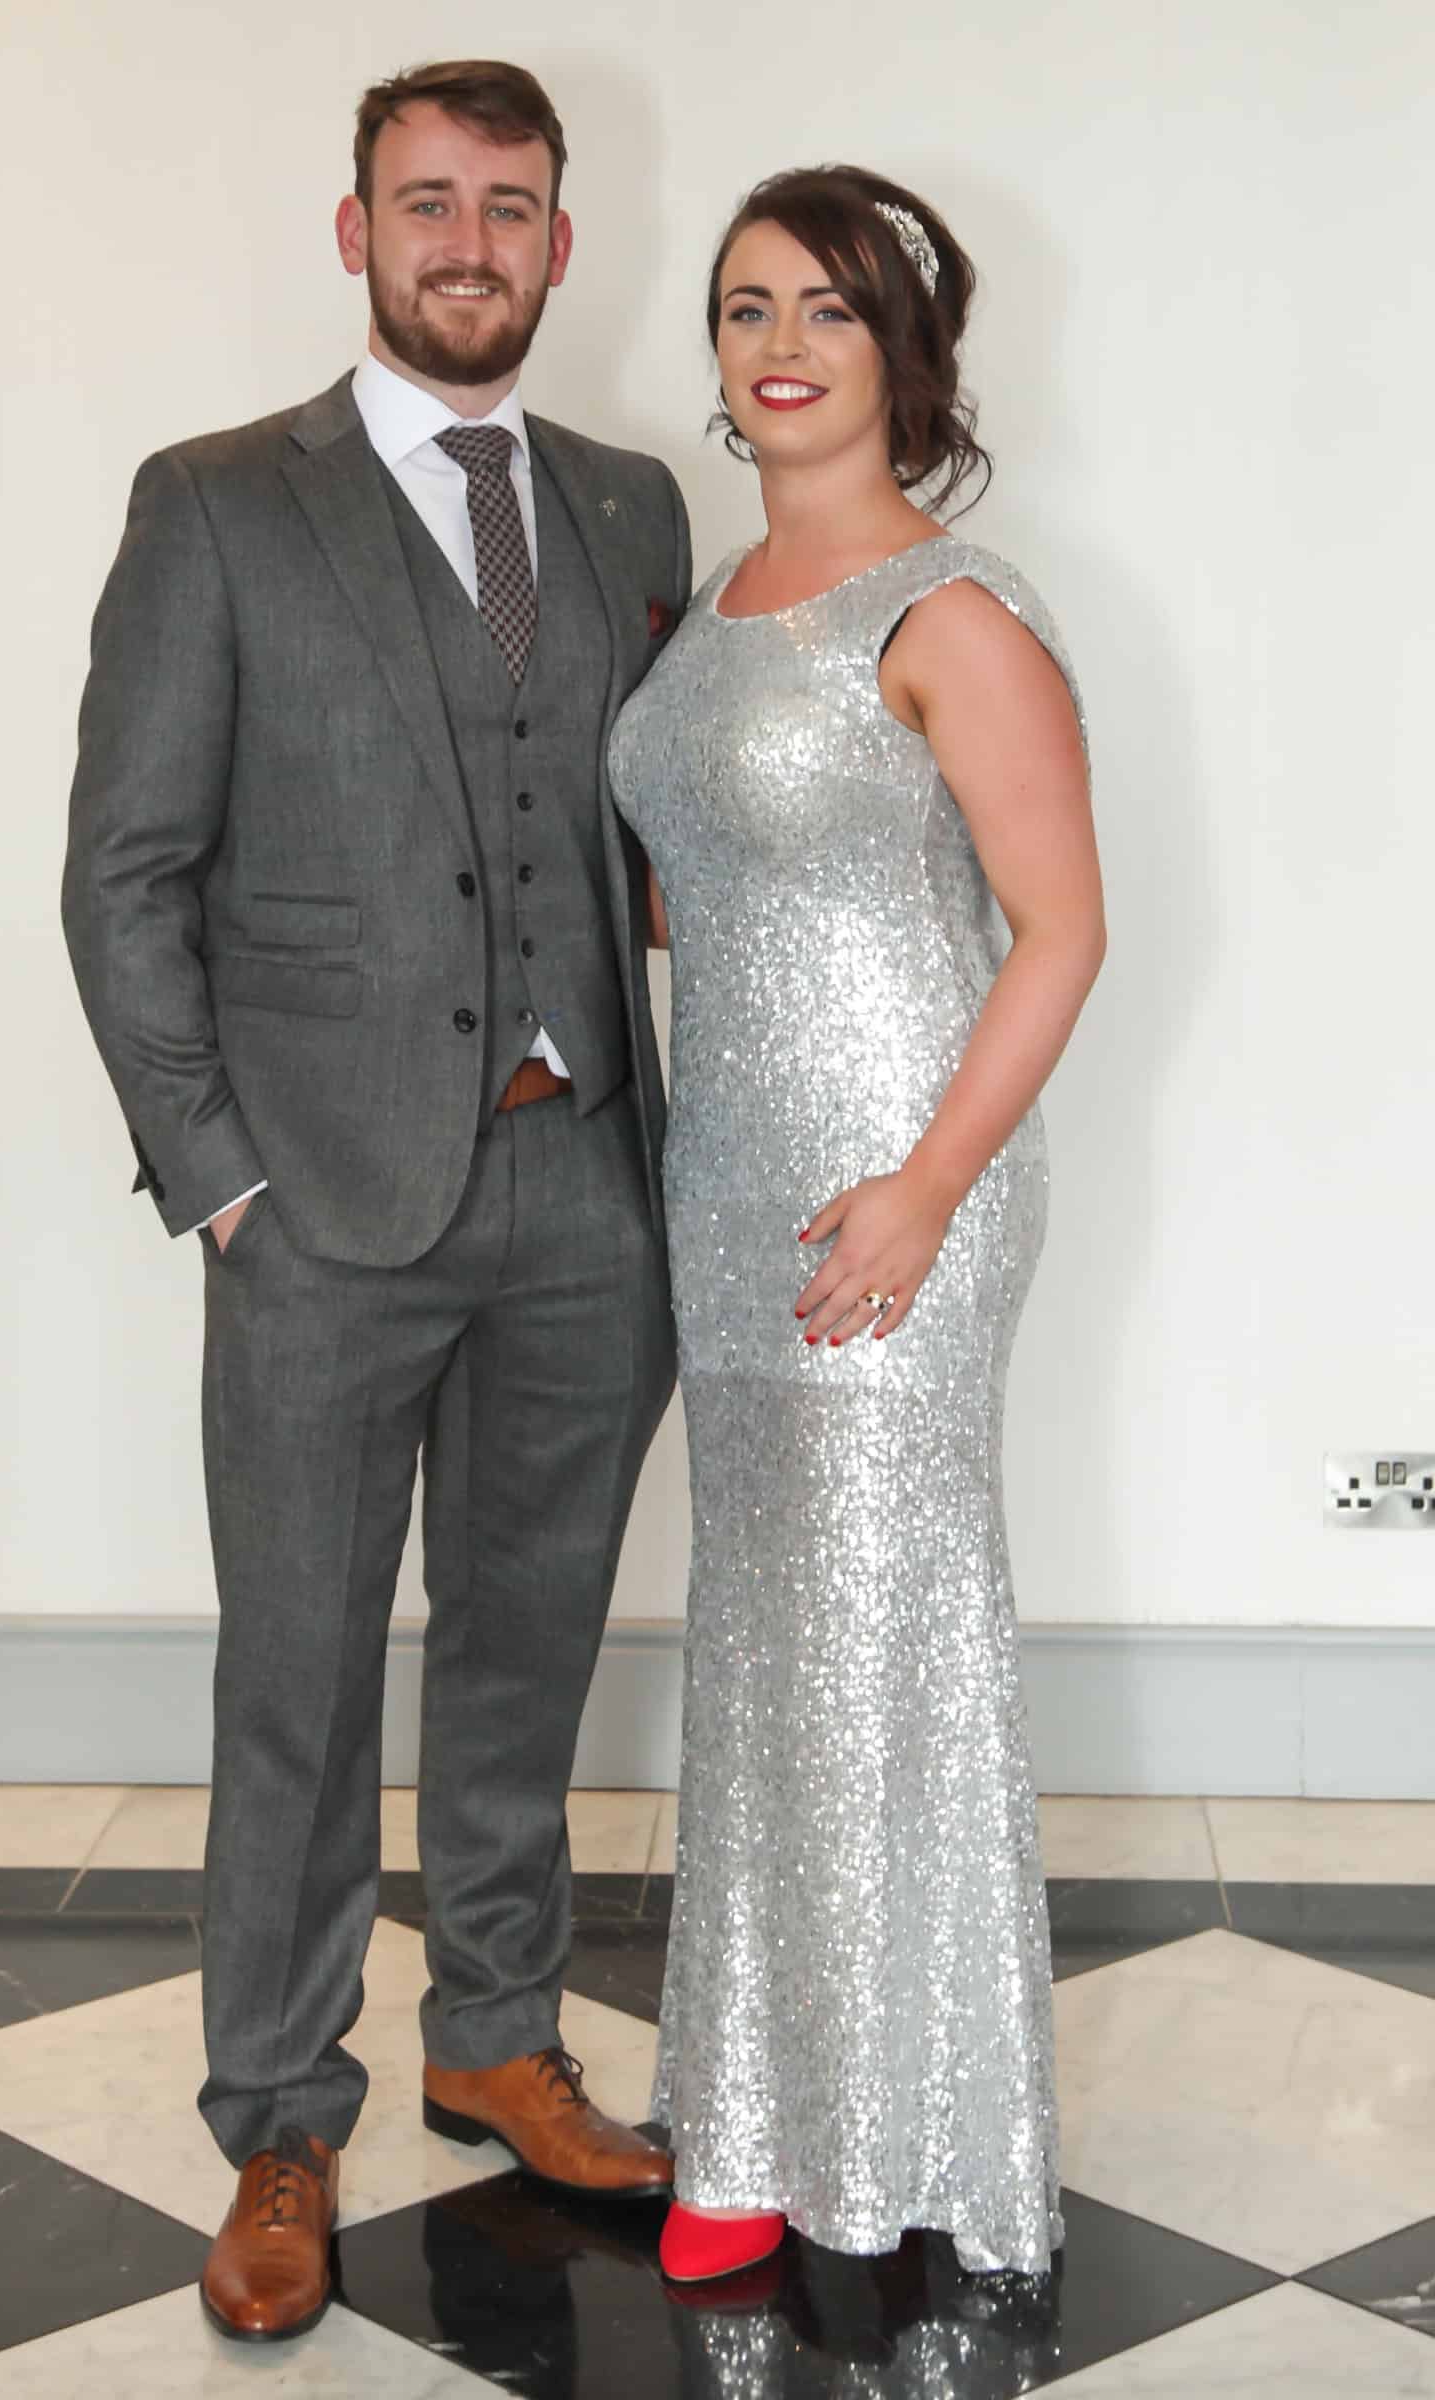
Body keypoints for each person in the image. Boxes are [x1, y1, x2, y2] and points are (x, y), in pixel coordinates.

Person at [62, 59, 692, 2343]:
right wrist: (218, 1181)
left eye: (506, 205)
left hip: (582, 1198)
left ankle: (492, 2035)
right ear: (354, 232)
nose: (466, 241)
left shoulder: (630, 509)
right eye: (423, 201)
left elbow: (645, 854)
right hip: (317, 1208)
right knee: (304, 1684)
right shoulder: (222, 500)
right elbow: (127, 872)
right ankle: (280, 2116)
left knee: (528, 1657)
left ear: (556, 238)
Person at [610, 165, 1104, 2285]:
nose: (776, 341)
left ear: (903, 351)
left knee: (879, 1652)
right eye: (741, 307)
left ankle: (914, 2141)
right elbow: (689, 882)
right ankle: (739, 2116)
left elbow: (1061, 936)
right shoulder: (711, 598)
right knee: (762, 1650)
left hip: (900, 1192)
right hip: (720, 1188)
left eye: (823, 305)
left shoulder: (949, 612)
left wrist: (920, 1189)